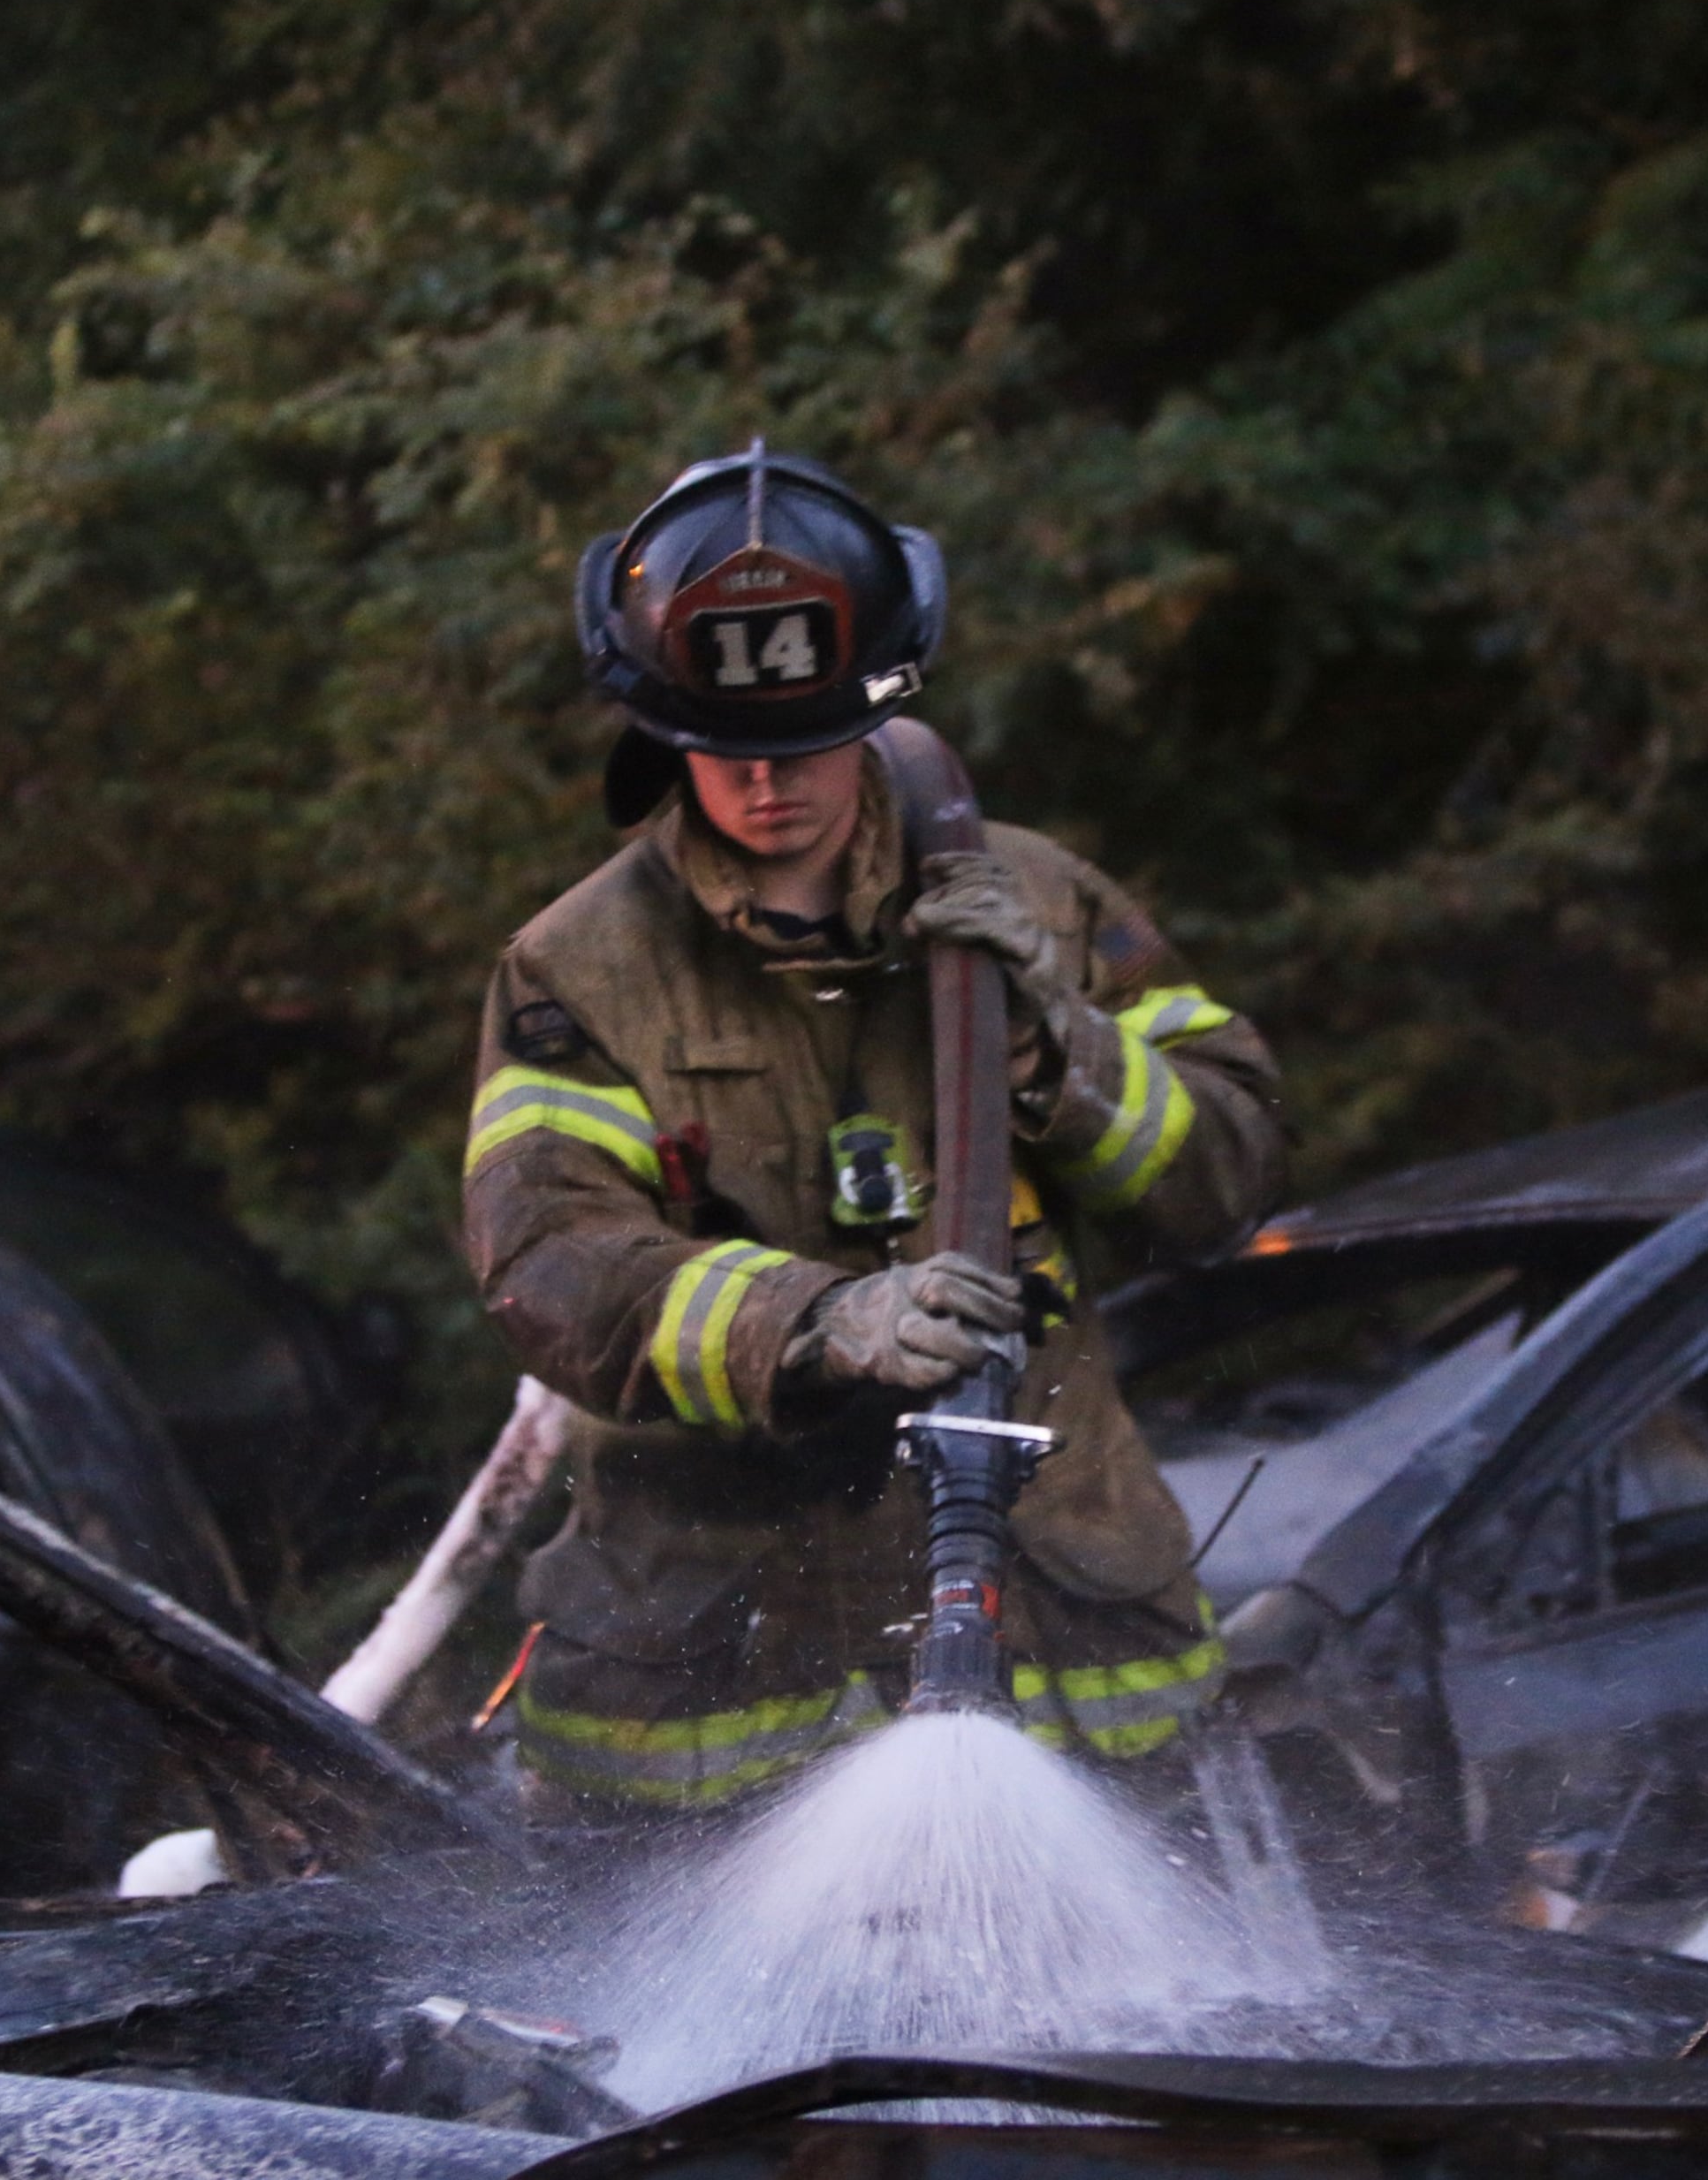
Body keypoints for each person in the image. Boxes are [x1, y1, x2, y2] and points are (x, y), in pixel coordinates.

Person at [461, 444, 1286, 1810]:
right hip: (715, 1712)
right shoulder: (577, 968)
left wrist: (1053, 1049)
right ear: (658, 724)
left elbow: (1229, 1175)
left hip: (1067, 1662)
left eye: (803, 741)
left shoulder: (1043, 901)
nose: (765, 785)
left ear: (879, 702)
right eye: (721, 748)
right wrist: (811, 1324)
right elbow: (546, 1263)